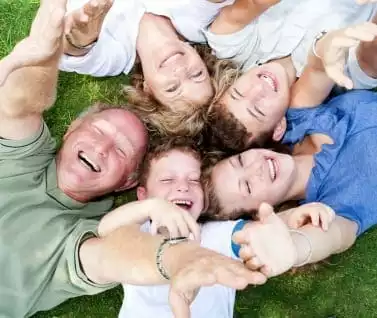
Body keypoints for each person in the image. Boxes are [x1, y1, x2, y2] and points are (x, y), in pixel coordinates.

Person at [0, 1, 269, 317]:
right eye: (98, 130)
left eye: (120, 151)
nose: (101, 148)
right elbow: (19, 106)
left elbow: (111, 256)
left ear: (129, 181)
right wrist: (43, 53)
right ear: (71, 129)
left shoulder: (84, 234)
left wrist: (176, 259)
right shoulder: (23, 158)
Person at [96, 136, 333, 318]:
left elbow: (257, 232)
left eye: (193, 180)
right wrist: (151, 209)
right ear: (143, 194)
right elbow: (105, 231)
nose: (182, 187)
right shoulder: (138, 232)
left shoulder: (215, 235)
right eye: (167, 180)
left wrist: (295, 217)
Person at [202, 88, 377, 274]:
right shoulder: (332, 207)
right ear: (257, 214)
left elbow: (318, 71)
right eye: (248, 186)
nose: (256, 168)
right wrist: (294, 248)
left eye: (240, 161)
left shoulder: (293, 121)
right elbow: (334, 236)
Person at [204, 0, 377, 151]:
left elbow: (245, 9)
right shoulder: (342, 76)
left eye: (238, 93)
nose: (257, 89)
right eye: (258, 110)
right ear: (279, 126)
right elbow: (371, 53)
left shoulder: (232, 48)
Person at [59, 0, 233, 136]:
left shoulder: (115, 57)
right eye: (197, 74)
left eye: (172, 88)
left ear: (147, 90)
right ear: (203, 62)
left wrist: (81, 35)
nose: (180, 71)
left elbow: (72, 53)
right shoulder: (199, 23)